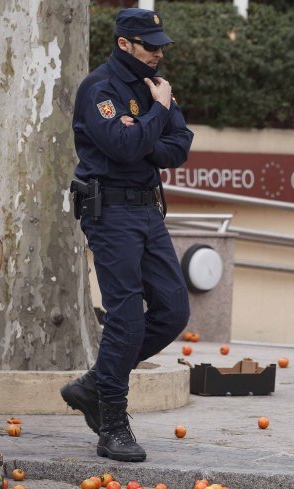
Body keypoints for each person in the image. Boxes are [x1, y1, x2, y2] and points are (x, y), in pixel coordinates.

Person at [61, 8, 193, 462]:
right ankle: (112, 424)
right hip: (110, 211)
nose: (158, 53)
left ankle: (96, 383)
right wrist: (157, 114)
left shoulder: (152, 87)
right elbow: (122, 145)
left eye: (160, 45)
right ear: (124, 44)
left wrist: (144, 134)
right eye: (149, 45)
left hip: (147, 210)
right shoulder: (100, 89)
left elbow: (181, 144)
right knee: (127, 316)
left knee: (174, 310)